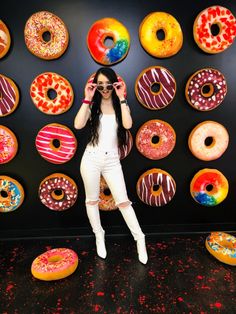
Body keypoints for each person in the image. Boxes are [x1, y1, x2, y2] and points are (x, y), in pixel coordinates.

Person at [74, 67, 148, 264]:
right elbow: (78, 125)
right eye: (101, 85)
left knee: (123, 201)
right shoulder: (92, 106)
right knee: (91, 200)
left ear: (114, 84)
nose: (105, 89)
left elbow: (128, 125)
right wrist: (87, 97)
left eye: (108, 84)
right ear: (96, 86)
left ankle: (139, 238)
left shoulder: (120, 105)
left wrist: (122, 97)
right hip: (91, 158)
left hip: (112, 161)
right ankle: (99, 235)